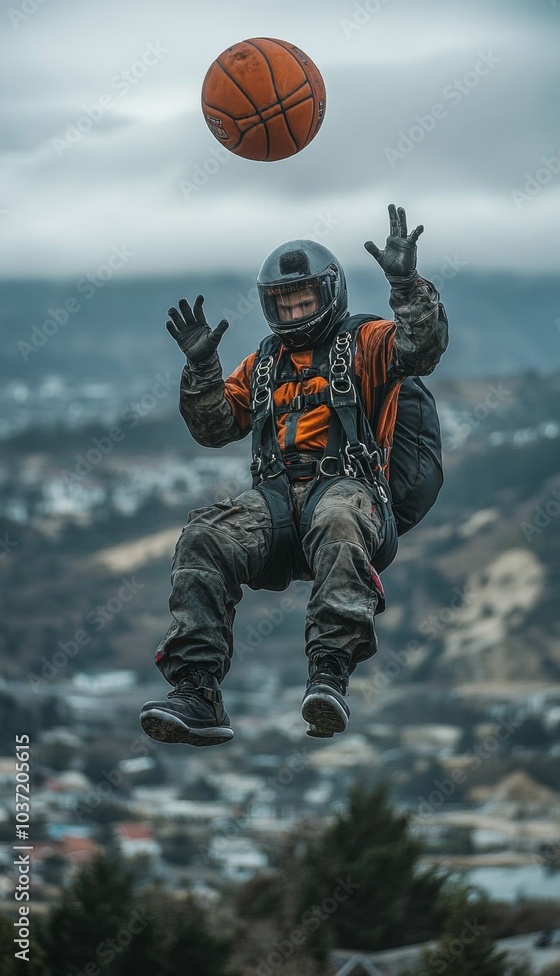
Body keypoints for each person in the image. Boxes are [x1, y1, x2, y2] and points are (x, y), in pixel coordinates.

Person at [139, 204, 449, 745]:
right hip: (276, 506)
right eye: (283, 301)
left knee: (337, 517)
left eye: (304, 298)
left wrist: (406, 286)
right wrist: (201, 371)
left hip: (352, 493)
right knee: (203, 535)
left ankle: (329, 673)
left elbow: (421, 348)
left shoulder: (367, 341)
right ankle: (197, 692)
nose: (294, 309)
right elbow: (214, 428)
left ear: (331, 294)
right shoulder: (261, 363)